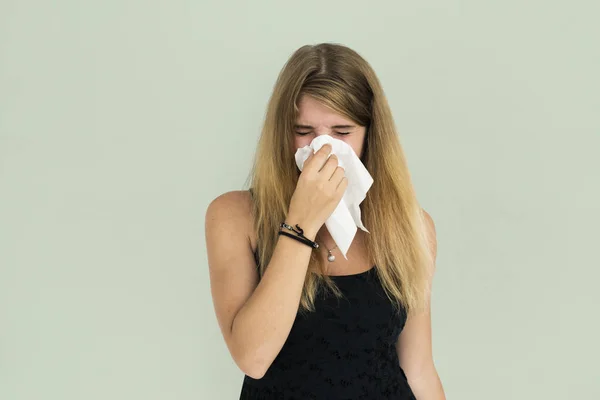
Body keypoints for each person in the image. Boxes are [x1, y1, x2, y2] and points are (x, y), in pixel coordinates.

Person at [205, 42, 446, 399]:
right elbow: (253, 358)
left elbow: (419, 369)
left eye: (342, 132)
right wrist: (301, 223)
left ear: (370, 135)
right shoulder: (234, 217)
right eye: (304, 131)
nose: (323, 148)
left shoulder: (410, 227)